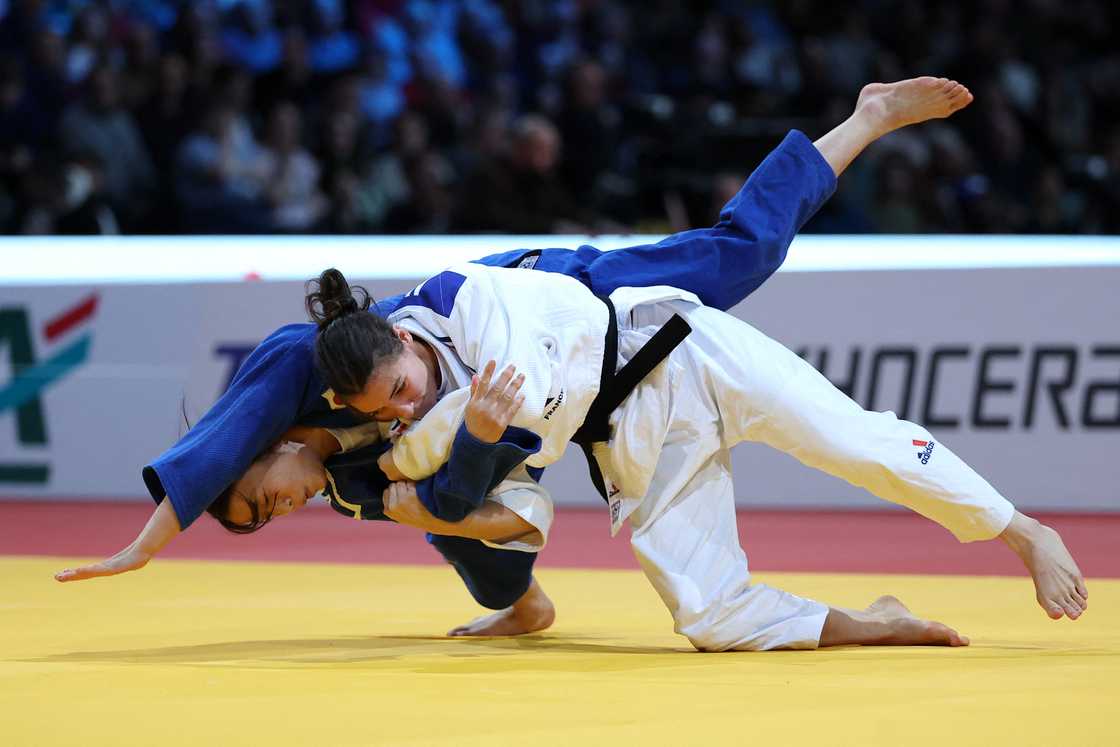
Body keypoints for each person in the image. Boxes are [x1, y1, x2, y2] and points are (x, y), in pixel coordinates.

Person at [302, 77, 1088, 650]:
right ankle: (875, 624)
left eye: (402, 390)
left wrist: (442, 476)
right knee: (708, 615)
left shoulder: (465, 299)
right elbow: (504, 501)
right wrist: (433, 486)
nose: (404, 410)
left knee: (847, 426)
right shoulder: (420, 411)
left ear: (404, 339)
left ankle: (1022, 531)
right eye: (388, 412)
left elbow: (487, 439)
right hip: (632, 434)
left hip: (670, 340)